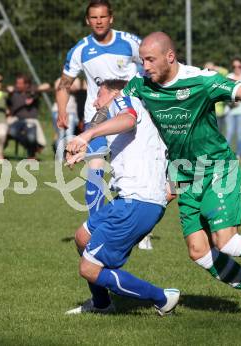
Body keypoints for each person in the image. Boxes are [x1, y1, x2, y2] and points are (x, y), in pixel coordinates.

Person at [67, 32, 241, 317]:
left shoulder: (201, 80)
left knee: (227, 241)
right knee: (198, 251)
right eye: (142, 60)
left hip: (216, 167)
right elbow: (114, 106)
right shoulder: (141, 84)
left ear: (170, 57)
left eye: (149, 60)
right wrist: (89, 142)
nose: (144, 66)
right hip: (183, 174)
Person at [64, 79, 180, 315]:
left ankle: (162, 298)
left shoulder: (124, 100)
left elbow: (126, 119)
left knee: (88, 269)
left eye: (99, 95)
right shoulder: (133, 118)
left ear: (114, 93)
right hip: (128, 199)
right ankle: (102, 304)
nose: (95, 102)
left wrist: (87, 134)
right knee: (82, 237)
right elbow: (125, 144)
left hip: (138, 202)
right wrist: (85, 151)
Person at [56, 0, 142, 217]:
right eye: (94, 17)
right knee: (95, 168)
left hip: (128, 116)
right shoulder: (81, 50)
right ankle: (94, 226)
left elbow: (152, 65)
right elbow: (64, 83)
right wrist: (62, 110)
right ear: (87, 20)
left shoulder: (130, 42)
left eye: (103, 17)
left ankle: (141, 230)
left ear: (111, 18)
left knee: (133, 174)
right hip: (97, 118)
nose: (99, 21)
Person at [7, 74, 49, 159]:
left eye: (20, 83)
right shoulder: (14, 92)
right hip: (17, 120)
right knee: (11, 131)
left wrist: (36, 90)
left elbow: (47, 86)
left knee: (31, 136)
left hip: (31, 120)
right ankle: (32, 149)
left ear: (26, 84)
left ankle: (32, 152)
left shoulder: (32, 91)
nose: (17, 85)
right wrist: (9, 89)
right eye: (16, 83)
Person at [51, 77, 85, 156]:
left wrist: (64, 87)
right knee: (60, 135)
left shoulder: (76, 80)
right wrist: (65, 87)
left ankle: (70, 156)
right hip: (58, 111)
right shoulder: (58, 80)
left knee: (70, 135)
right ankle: (60, 157)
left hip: (71, 111)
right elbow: (58, 89)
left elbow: (76, 88)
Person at [204, 62, 228, 135]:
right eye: (208, 70)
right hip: (208, 113)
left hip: (219, 113)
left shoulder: (218, 80)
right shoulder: (204, 81)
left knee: (219, 133)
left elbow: (225, 71)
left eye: (211, 70)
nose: (210, 71)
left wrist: (214, 67)